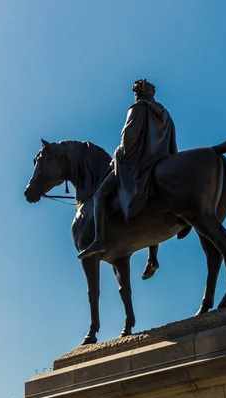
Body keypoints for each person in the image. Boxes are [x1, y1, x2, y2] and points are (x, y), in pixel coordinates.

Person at [77, 79, 179, 267]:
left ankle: (99, 239)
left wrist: (115, 158)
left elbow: (128, 141)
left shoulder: (138, 108)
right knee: (151, 201)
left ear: (138, 93)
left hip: (137, 164)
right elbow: (172, 144)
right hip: (160, 161)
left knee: (99, 194)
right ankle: (153, 257)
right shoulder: (165, 115)